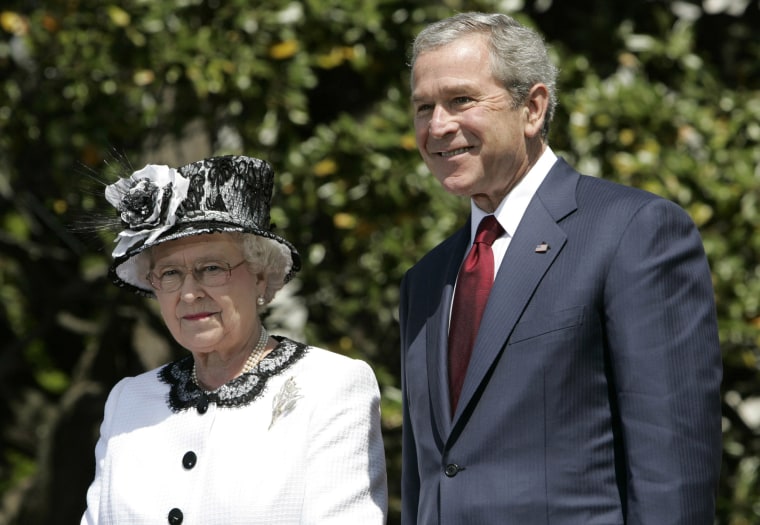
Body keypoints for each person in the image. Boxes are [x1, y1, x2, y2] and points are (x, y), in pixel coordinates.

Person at [399, 12, 722, 525]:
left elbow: (673, 463)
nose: (437, 126)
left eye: (461, 100)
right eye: (423, 107)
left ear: (532, 107)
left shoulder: (633, 231)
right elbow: (432, 474)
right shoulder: (426, 280)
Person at [81, 155, 387, 524]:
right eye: (170, 273)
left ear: (260, 276)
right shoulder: (127, 401)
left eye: (211, 268)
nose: (190, 293)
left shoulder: (330, 385)